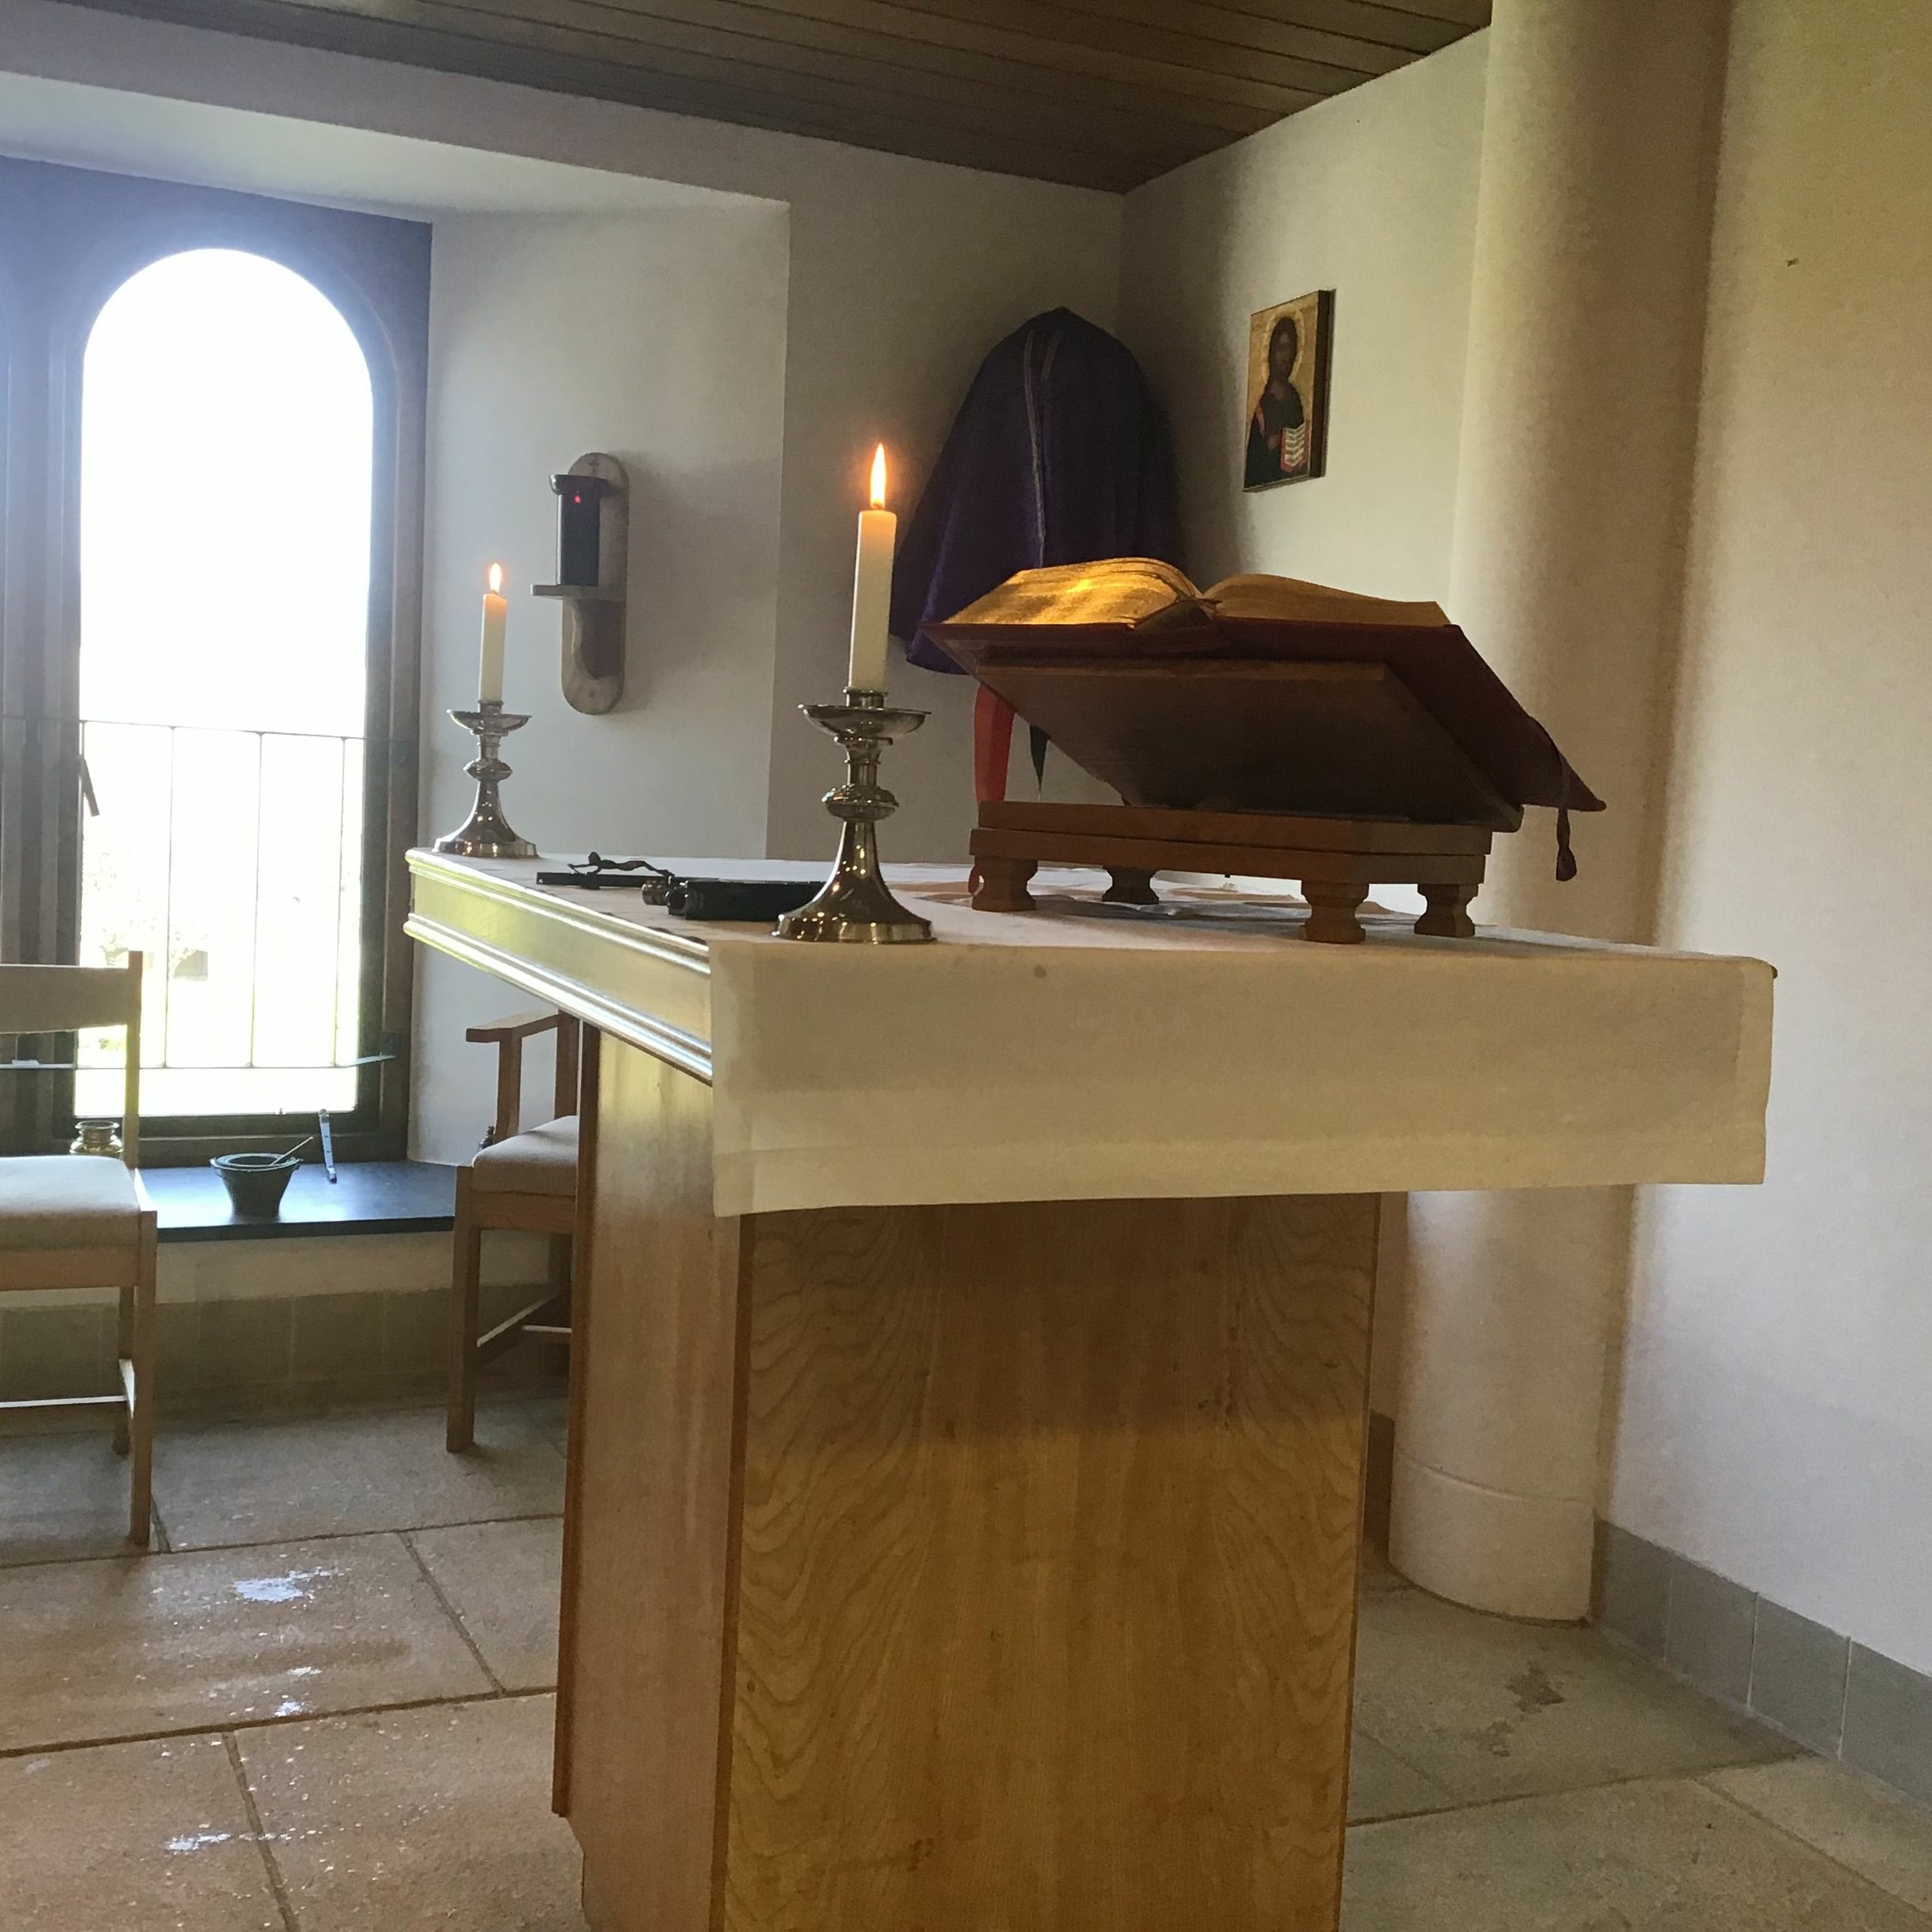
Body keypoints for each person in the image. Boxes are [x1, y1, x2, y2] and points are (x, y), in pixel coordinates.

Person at [1244, 312, 1309, 488]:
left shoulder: (1294, 399)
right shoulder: (1265, 404)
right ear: (1272, 353)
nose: (1285, 356)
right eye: (1281, 348)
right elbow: (1254, 466)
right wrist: (1271, 446)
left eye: (1290, 348)